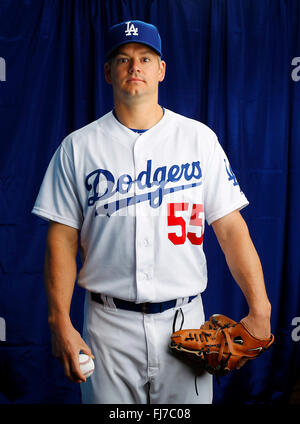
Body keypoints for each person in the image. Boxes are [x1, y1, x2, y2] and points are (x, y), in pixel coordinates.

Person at [32, 20, 271, 404]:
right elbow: (61, 238)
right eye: (123, 60)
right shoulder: (78, 147)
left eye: (145, 58)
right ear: (108, 72)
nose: (135, 67)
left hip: (185, 322)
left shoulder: (198, 139)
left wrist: (260, 306)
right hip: (108, 326)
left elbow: (230, 227)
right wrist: (58, 320)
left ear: (161, 69)